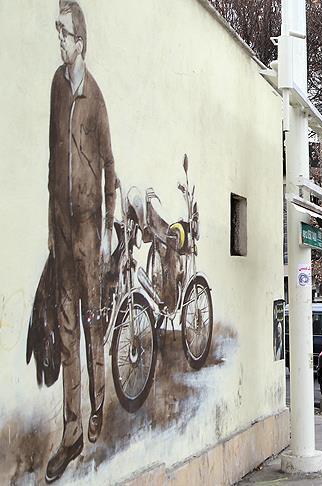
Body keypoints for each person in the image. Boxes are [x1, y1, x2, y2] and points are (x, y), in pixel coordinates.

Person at [43, 1, 117, 482]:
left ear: (81, 41)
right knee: (67, 326)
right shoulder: (57, 85)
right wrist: (49, 226)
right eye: (58, 33)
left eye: (66, 34)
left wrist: (108, 229)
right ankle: (71, 434)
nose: (60, 41)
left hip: (90, 228)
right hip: (63, 226)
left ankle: (98, 404)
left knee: (92, 324)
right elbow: (52, 154)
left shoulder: (95, 96)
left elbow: (109, 163)